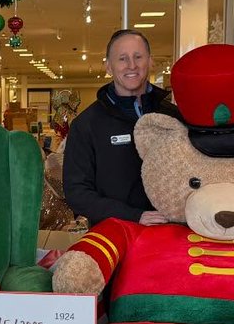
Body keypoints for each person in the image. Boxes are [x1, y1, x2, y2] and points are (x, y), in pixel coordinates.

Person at [62, 28, 178, 226]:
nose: (131, 65)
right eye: (122, 58)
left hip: (169, 231)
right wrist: (134, 215)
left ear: (150, 61)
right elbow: (77, 193)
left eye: (138, 56)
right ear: (108, 66)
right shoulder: (87, 124)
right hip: (114, 234)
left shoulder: (172, 116)